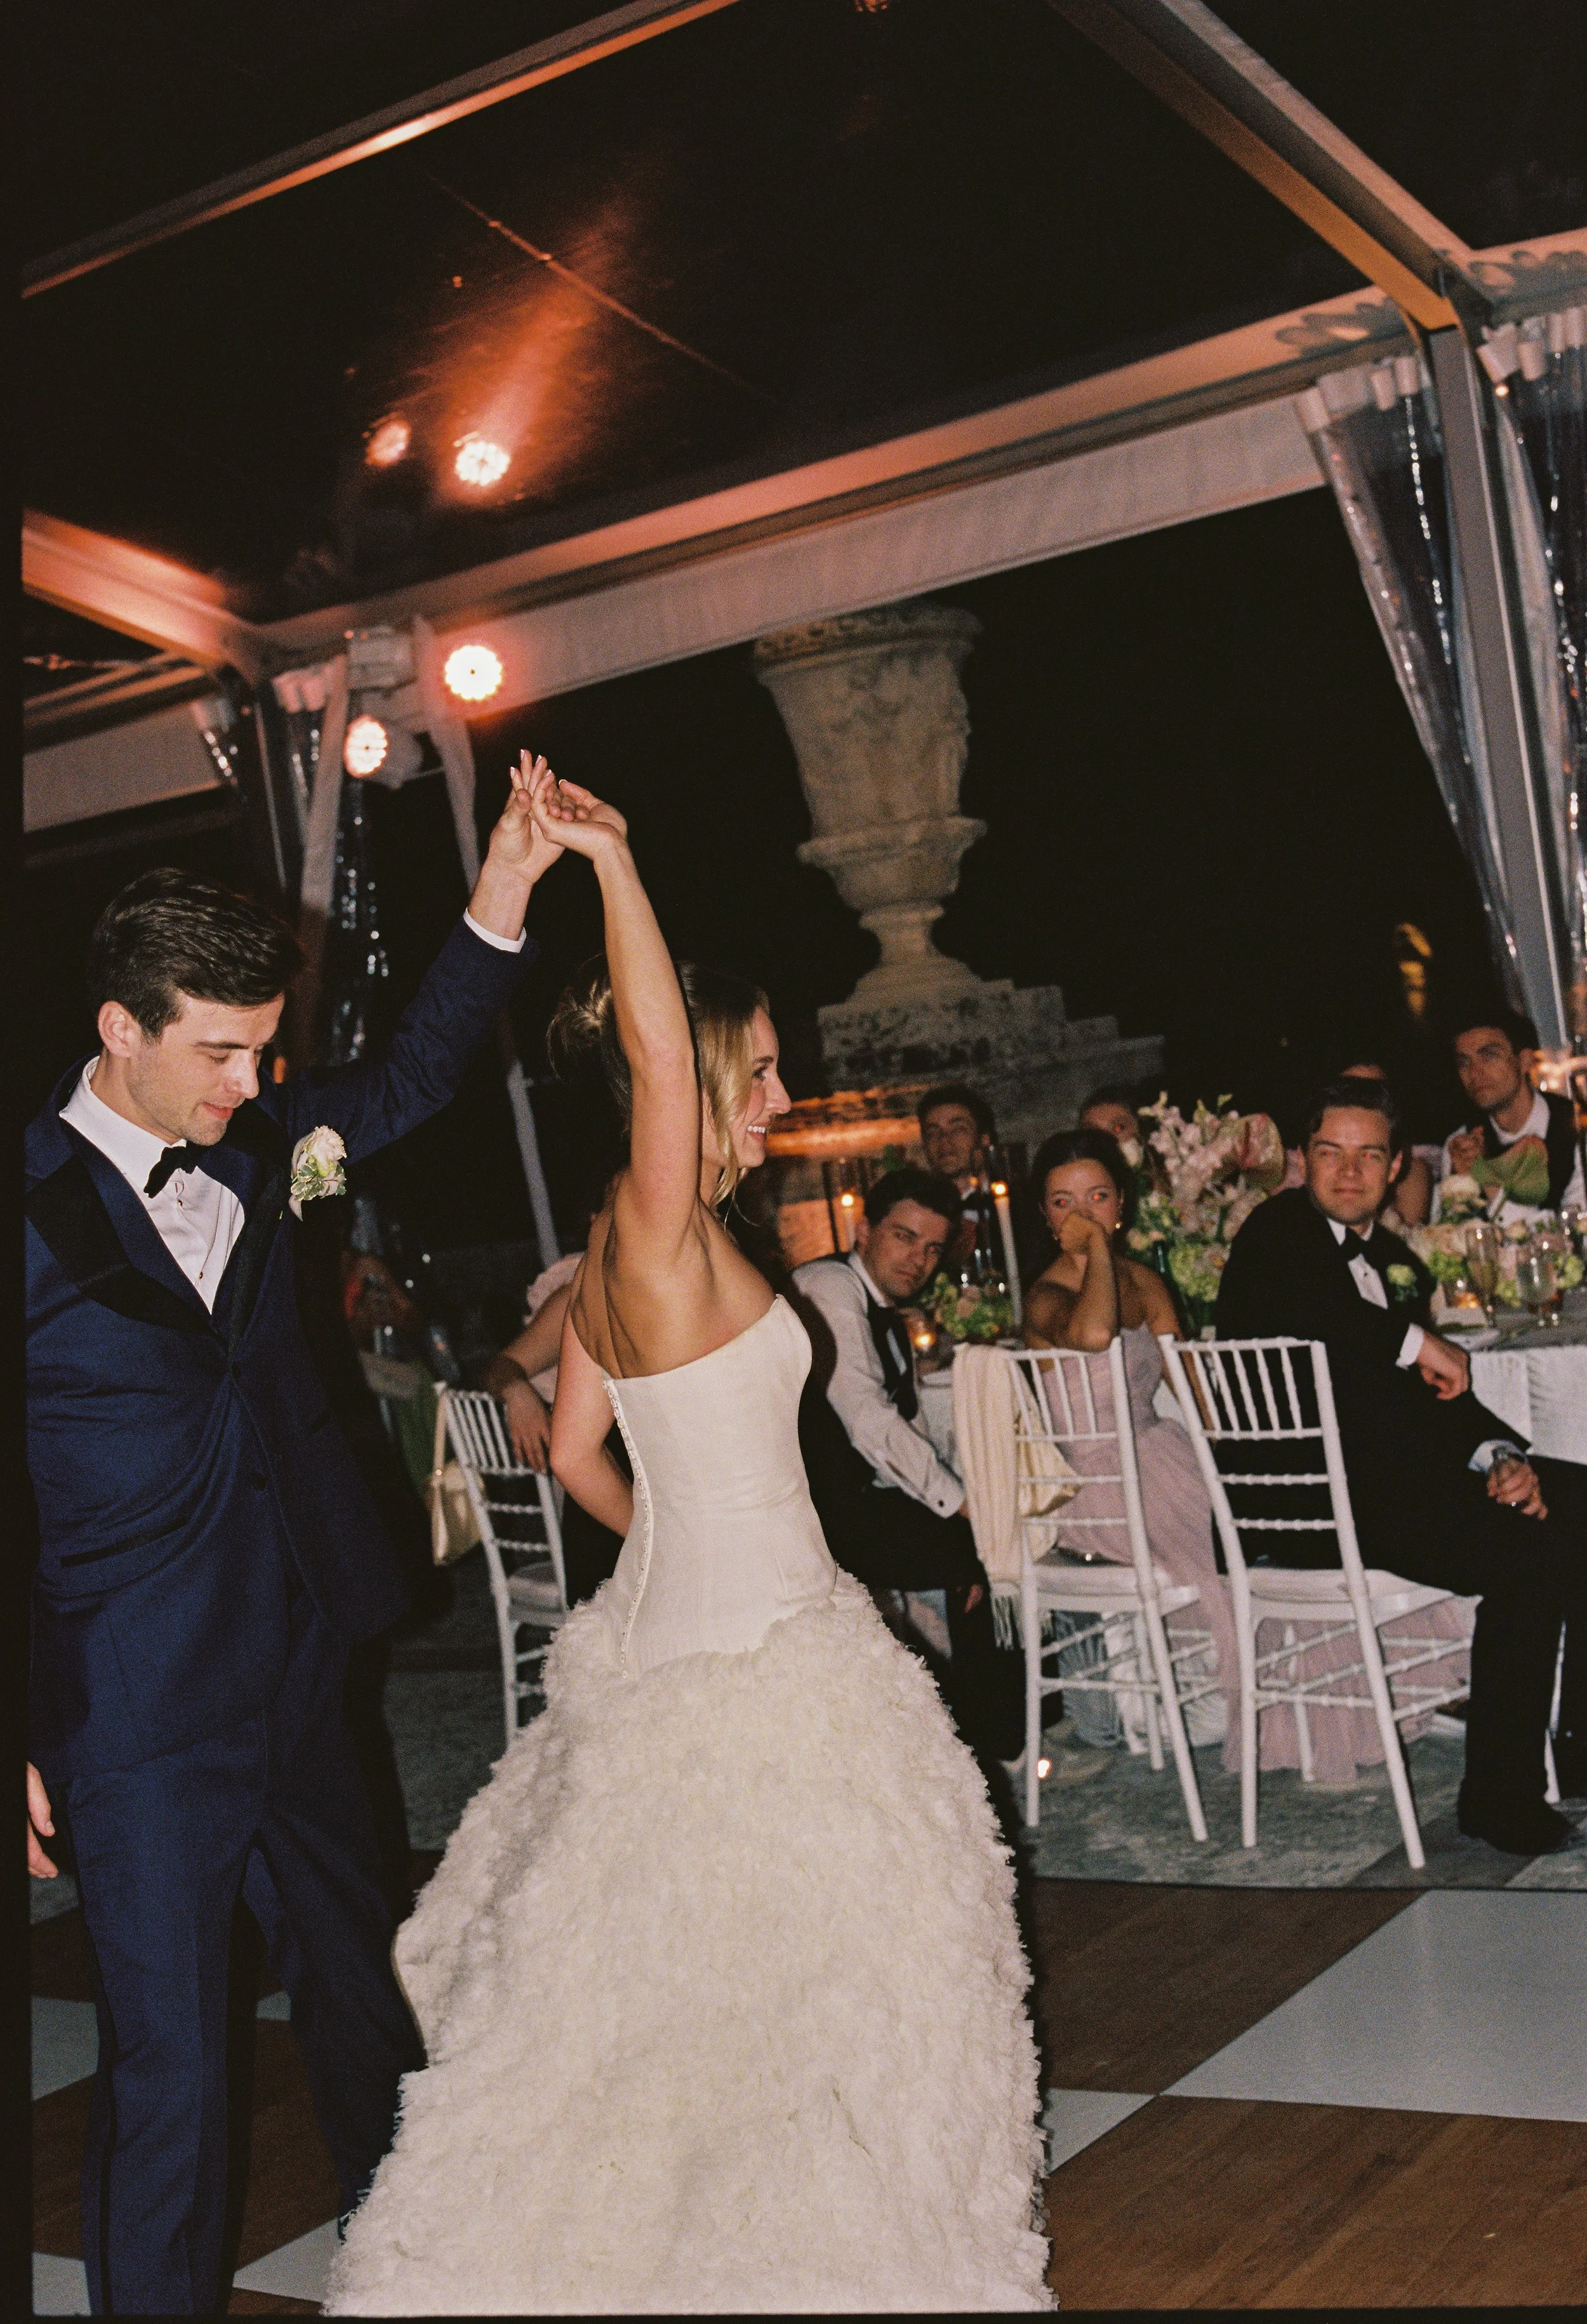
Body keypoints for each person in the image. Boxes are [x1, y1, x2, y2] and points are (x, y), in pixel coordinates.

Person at [326, 770, 1051, 2315]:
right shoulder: (654, 1223)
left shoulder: (626, 1234)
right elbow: (657, 1050)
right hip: (757, 1654)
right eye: (762, 1068)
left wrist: (690, 1537)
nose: (783, 1093)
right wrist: (612, 858)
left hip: (688, 1632)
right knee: (847, 1962)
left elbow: (570, 1446)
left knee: (710, 1986)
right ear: (702, 1081)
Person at [23, 758, 557, 2316]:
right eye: (219, 1051)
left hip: (298, 1656)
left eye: (264, 1047)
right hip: (131, 1708)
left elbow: (412, 1079)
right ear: (119, 1028)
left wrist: (505, 885)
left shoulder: (260, 1137)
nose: (250, 1082)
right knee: (174, 2066)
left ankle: (405, 2265)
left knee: (357, 1989)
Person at [1216, 1078, 1587, 1856]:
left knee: (1575, 1496)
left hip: (1395, 1492)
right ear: (1303, 1159)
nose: (1348, 1172)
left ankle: (1579, 1746)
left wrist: (1500, 1457)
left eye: (1368, 1156)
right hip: (1308, 1509)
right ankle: (1498, 1796)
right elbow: (1314, 1309)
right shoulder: (1275, 1234)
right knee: (1526, 1549)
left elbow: (1435, 1397)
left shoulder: (1389, 1259)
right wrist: (1419, 1342)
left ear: (1394, 1169)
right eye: (1330, 1153)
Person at [792, 1168, 1021, 1760]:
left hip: (853, 1499)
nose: (919, 1260)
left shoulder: (885, 1310)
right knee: (983, 1547)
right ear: (864, 1230)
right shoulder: (828, 1286)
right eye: (904, 1237)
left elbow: (907, 1428)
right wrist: (961, 1505)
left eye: (933, 1248)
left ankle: (991, 1733)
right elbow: (867, 1419)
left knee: (987, 1543)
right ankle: (997, 1744)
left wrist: (963, 1500)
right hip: (809, 1515)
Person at [1022, 1129, 1232, 1750]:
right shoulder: (1046, 1295)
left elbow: (1190, 1386)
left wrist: (1227, 1454)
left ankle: (1214, 1682)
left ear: (1121, 1203)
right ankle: (1186, 1697)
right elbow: (1092, 1336)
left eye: (1097, 1197)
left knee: (1245, 1527)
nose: (1083, 1214)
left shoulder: (1143, 1280)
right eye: (1063, 1202)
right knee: (1200, 1541)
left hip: (1160, 1455)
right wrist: (1091, 1248)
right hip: (1094, 1484)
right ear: (1046, 1216)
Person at [1438, 1008, 1584, 1218]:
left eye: (1489, 1056)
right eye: (1464, 1062)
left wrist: (1486, 1178)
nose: (1474, 1073)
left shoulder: (1576, 1127)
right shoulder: (1462, 1143)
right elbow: (1453, 1231)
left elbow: (1578, 1225)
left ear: (1524, 1061)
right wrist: (1461, 1183)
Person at [917, 1080, 1003, 1276]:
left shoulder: (1016, 1206)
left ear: (984, 1139)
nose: (944, 1141)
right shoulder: (919, 1212)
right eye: (933, 1133)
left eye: (958, 1130)